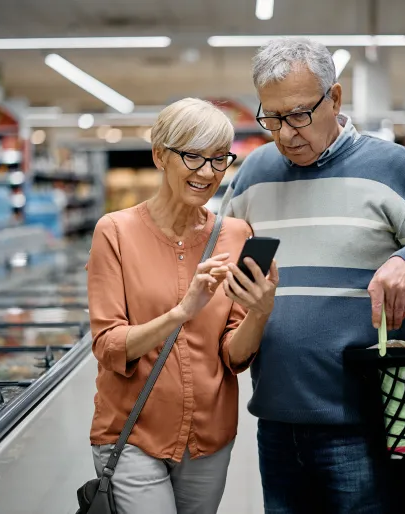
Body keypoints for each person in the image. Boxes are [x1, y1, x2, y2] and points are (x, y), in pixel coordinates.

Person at [219, 38, 405, 513]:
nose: (285, 133)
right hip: (276, 422)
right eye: (271, 118)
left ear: (334, 98)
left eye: (298, 114)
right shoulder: (252, 175)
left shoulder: (393, 168)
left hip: (365, 426)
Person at [85, 97, 278, 514]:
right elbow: (108, 344)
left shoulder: (236, 234)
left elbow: (233, 354)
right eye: (193, 156)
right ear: (160, 155)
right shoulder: (115, 233)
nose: (207, 173)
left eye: (218, 159)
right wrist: (180, 313)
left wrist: (261, 311)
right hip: (133, 432)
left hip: (209, 436)